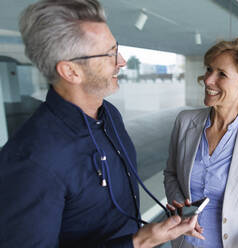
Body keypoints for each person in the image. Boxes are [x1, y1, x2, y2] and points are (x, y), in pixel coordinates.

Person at [0, 0, 202, 247]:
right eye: (109, 54)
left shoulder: (109, 114)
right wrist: (139, 241)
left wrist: (152, 231)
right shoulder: (32, 160)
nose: (122, 61)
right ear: (71, 71)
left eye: (116, 48)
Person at [164, 38, 238, 248]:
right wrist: (182, 208)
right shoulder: (184, 122)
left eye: (222, 74)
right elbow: (171, 174)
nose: (208, 80)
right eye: (209, 69)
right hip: (185, 243)